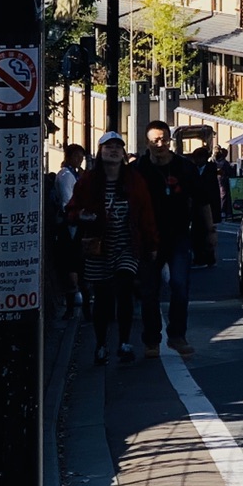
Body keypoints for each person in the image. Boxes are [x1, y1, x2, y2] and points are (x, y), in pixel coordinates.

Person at [66, 132, 158, 366]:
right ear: (100, 152)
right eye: (108, 147)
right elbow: (71, 210)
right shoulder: (88, 181)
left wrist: (151, 243)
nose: (114, 151)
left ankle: (125, 342)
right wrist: (82, 216)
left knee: (125, 287)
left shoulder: (134, 181)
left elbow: (146, 213)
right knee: (103, 297)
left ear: (124, 154)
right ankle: (100, 344)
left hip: (127, 243)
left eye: (118, 147)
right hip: (98, 246)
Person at [133, 120, 204, 357]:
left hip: (179, 234)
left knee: (180, 286)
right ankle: (151, 339)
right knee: (149, 290)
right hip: (147, 237)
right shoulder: (138, 169)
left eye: (163, 139)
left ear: (170, 140)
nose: (160, 144)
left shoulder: (185, 167)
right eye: (155, 140)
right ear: (147, 142)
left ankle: (177, 335)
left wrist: (210, 231)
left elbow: (201, 201)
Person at [52, 144, 88, 316]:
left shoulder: (73, 174)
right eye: (77, 156)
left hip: (75, 220)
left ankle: (76, 297)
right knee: (73, 262)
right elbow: (68, 201)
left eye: (81, 157)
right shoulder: (66, 175)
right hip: (70, 223)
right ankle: (74, 298)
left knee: (75, 261)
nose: (80, 160)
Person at [190, 142, 223, 267]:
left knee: (208, 232)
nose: (197, 160)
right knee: (196, 233)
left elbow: (212, 190)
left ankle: (209, 257)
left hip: (209, 204)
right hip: (196, 205)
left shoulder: (210, 169)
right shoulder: (193, 169)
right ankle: (199, 256)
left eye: (199, 157)